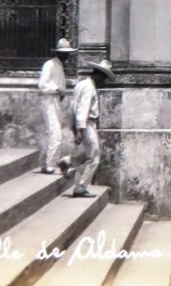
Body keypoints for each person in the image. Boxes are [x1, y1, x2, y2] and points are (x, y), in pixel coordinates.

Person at [58, 59, 115, 198]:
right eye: (105, 78)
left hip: (82, 123)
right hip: (87, 124)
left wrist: (75, 125)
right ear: (100, 75)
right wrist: (81, 130)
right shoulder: (89, 88)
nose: (104, 82)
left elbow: (73, 107)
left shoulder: (81, 84)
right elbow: (83, 109)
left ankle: (67, 161)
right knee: (94, 157)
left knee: (86, 153)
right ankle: (80, 187)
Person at [37, 38, 77, 174]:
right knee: (56, 134)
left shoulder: (60, 66)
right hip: (48, 101)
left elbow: (61, 86)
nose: (66, 55)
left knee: (54, 133)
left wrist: (61, 91)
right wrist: (56, 89)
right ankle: (49, 165)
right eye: (64, 53)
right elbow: (42, 85)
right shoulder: (50, 64)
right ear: (58, 53)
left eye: (68, 53)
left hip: (56, 102)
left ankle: (46, 162)